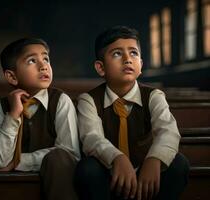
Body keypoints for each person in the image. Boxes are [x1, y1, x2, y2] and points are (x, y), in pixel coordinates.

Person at [74, 26, 189, 200]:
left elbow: (168, 132)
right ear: (101, 67)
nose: (127, 59)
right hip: (110, 175)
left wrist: (155, 160)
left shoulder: (154, 96)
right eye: (117, 54)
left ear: (141, 65)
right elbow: (92, 138)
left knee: (179, 163)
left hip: (147, 176)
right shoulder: (88, 100)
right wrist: (116, 158)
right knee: (87, 168)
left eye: (133, 53)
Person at [0, 38, 80, 200]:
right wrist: (13, 115)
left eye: (46, 59)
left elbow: (69, 153)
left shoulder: (61, 100)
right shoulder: (1, 106)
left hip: (58, 181)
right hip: (13, 186)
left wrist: (17, 163)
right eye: (32, 61)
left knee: (58, 158)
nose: (43, 66)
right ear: (12, 77)